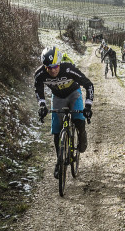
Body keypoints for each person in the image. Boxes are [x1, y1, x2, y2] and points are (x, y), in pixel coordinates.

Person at [35, 46, 95, 178]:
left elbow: (89, 85)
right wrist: (42, 105)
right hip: (58, 97)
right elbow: (38, 89)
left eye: (55, 66)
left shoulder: (68, 69)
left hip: (74, 93)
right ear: (45, 66)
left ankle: (82, 134)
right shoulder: (40, 73)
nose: (53, 70)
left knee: (78, 118)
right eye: (49, 67)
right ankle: (59, 162)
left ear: (59, 63)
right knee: (56, 130)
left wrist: (88, 106)